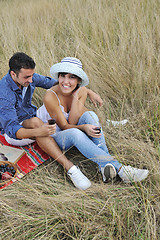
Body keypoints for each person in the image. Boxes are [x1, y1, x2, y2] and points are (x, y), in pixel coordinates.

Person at [38, 57, 149, 187]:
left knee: (91, 115)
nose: (66, 81)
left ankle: (104, 168)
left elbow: (73, 119)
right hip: (54, 136)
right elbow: (64, 127)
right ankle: (121, 170)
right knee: (75, 133)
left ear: (79, 80)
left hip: (70, 126)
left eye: (72, 77)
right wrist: (84, 127)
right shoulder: (50, 96)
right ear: (58, 76)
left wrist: (80, 94)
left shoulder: (78, 91)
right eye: (63, 76)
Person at [0, 52, 104, 191]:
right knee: (39, 122)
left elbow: (58, 84)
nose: (31, 80)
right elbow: (12, 131)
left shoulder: (28, 77)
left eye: (32, 75)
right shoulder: (4, 94)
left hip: (32, 118)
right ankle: (70, 168)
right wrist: (39, 131)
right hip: (16, 132)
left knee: (56, 110)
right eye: (27, 77)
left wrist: (87, 90)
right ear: (13, 74)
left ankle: (103, 150)